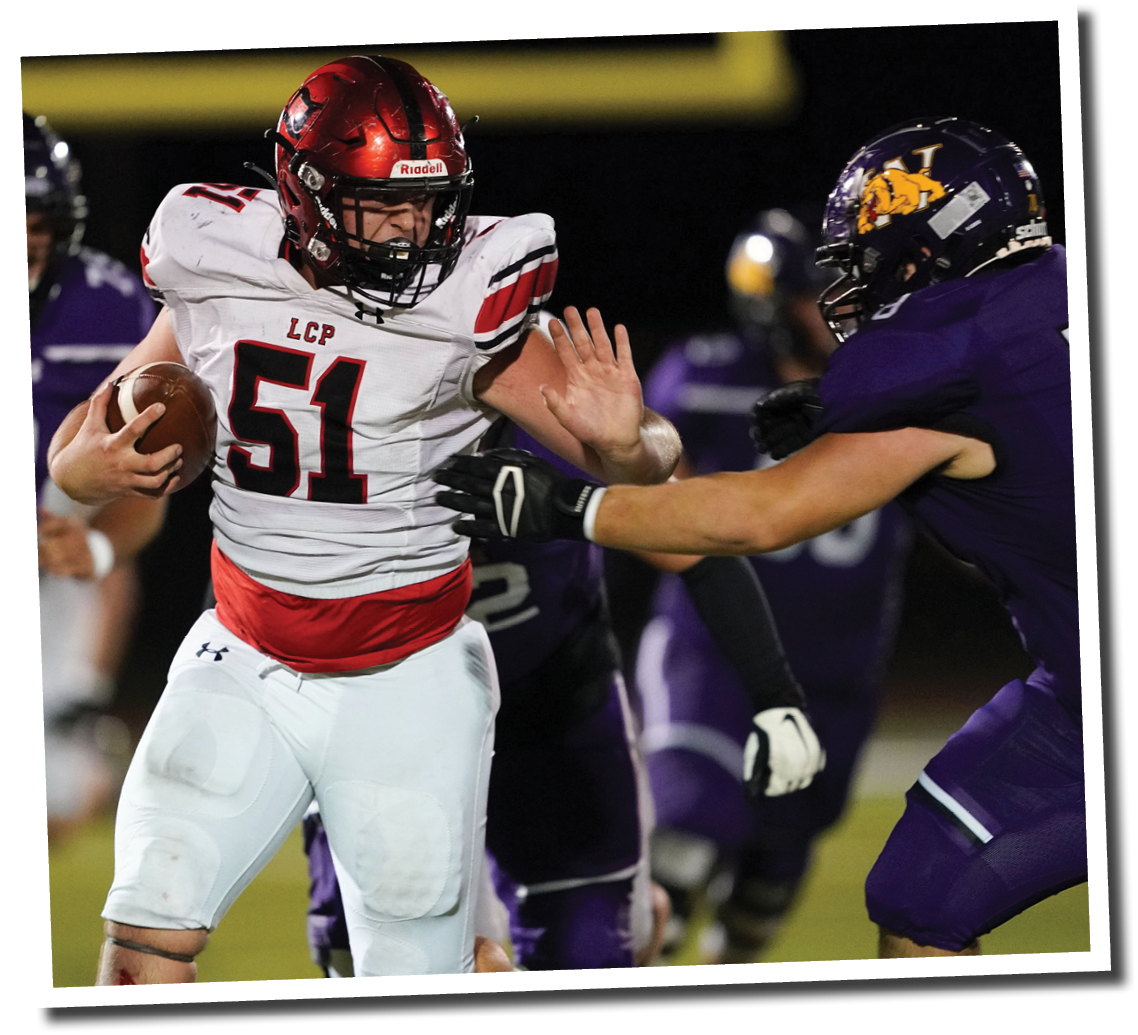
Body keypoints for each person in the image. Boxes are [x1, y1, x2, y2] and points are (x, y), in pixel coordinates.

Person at [46, 55, 681, 982]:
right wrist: (88, 465)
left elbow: (646, 459)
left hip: (405, 676)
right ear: (303, 193)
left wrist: (631, 443)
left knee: (418, 979)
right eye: (379, 204)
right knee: (140, 947)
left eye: (427, 204)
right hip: (244, 653)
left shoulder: (469, 297)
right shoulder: (216, 258)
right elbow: (78, 445)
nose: (409, 228)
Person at [436, 117, 1085, 958]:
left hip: (1075, 691)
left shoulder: (946, 356)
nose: (852, 284)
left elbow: (757, 516)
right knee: (918, 891)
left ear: (940, 238)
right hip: (1072, 684)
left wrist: (566, 506)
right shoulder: (1065, 285)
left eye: (875, 250)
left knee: (895, 894)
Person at [304, 404, 818, 973]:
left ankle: (632, 913)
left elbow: (695, 540)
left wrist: (776, 694)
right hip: (389, 735)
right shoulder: (343, 419)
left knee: (593, 955)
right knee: (380, 961)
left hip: (554, 712)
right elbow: (255, 575)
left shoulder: (555, 411)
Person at [635, 210, 912, 962]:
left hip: (837, 673)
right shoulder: (711, 377)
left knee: (765, 891)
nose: (840, 307)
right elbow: (650, 479)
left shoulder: (899, 382)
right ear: (772, 303)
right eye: (816, 294)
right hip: (714, 657)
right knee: (682, 843)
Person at [27, 112, 165, 844]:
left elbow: (146, 484)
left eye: (34, 213)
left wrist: (100, 551)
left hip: (57, 556)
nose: (21, 234)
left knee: (58, 807)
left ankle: (74, 710)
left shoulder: (108, 304)